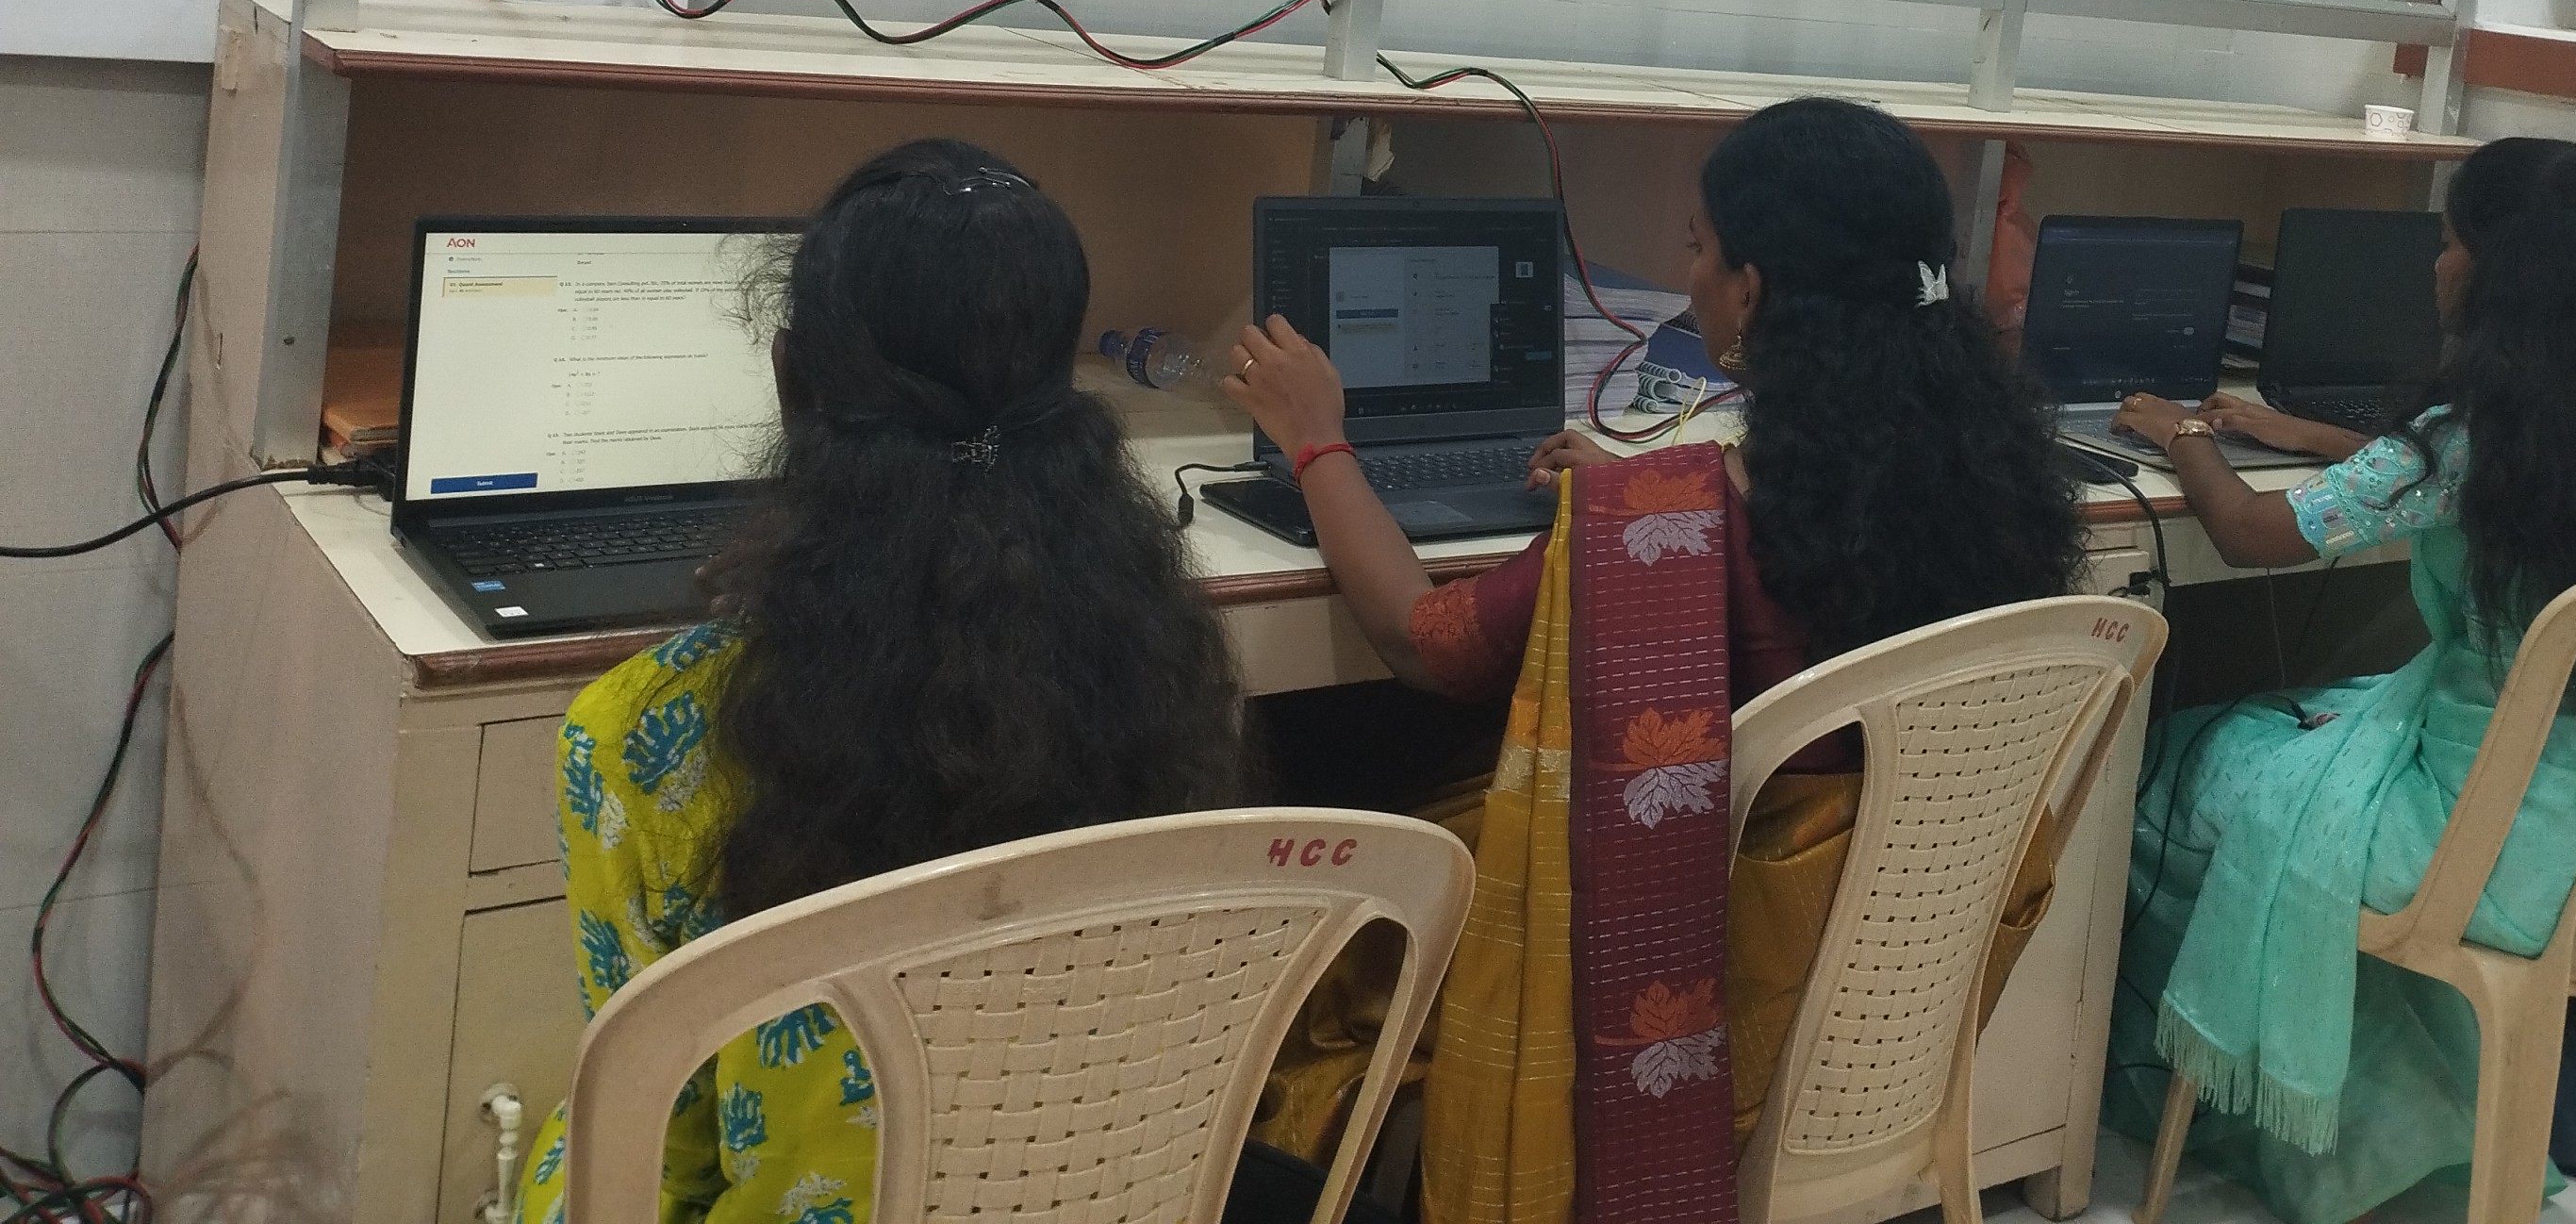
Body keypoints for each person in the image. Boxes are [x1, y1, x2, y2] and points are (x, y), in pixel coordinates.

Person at [1221, 96, 2089, 1224]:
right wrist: (1640, 492)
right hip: (1864, 989)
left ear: (1751, 290)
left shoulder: (1678, 519)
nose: (1688, 278)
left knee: (1315, 752)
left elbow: (1421, 642)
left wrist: (1317, 440)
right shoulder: (1998, 488)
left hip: (1687, 971)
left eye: (1696, 247)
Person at [515, 140, 1247, 1224]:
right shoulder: (1164, 665)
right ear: (1063, 386)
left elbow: (655, 1146)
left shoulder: (645, 730)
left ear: (791, 381)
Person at [2101, 137, 2576, 1224]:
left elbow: (2251, 533)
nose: (2437, 265)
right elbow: (2438, 470)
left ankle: (2244, 1107)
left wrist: (2189, 432)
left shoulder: (2471, 437)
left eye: (2448, 242)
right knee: (2290, 728)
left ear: (2496, 267)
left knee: (2167, 761)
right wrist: (2300, 432)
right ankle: (2401, 1123)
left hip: (2473, 842)